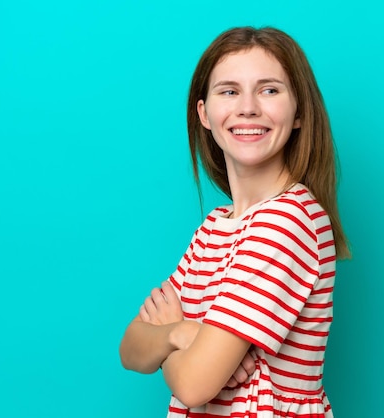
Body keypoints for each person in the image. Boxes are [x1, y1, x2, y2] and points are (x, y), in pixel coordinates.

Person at [119, 26, 350, 417]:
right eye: (229, 90)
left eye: (269, 90)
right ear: (204, 114)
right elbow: (130, 350)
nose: (248, 108)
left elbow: (194, 385)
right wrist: (181, 331)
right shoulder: (215, 227)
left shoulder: (287, 221)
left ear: (298, 113)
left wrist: (171, 343)